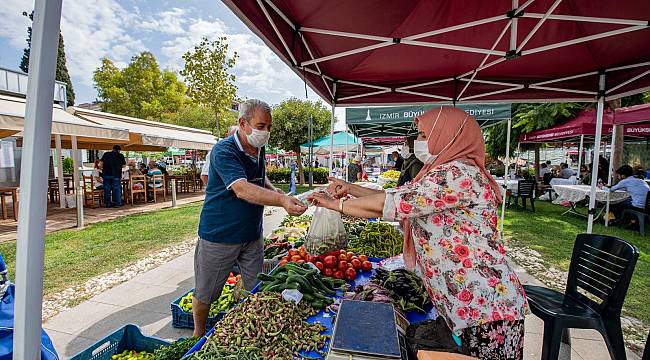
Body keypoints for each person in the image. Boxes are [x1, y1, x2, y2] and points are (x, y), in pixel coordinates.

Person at [308, 107, 528, 359]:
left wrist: (336, 204)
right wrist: (349, 188)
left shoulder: (456, 174)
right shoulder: (441, 172)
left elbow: (391, 205)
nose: (418, 142)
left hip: (484, 305)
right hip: (468, 302)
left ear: (449, 136)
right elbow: (401, 197)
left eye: (424, 135)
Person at [193, 99, 307, 336]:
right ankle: (198, 332)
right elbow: (242, 188)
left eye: (269, 127)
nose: (265, 132)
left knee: (256, 284)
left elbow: (259, 178)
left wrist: (276, 191)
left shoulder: (259, 148)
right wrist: (283, 201)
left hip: (252, 234)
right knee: (207, 292)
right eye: (261, 126)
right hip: (220, 235)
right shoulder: (224, 151)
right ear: (243, 123)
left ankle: (249, 325)